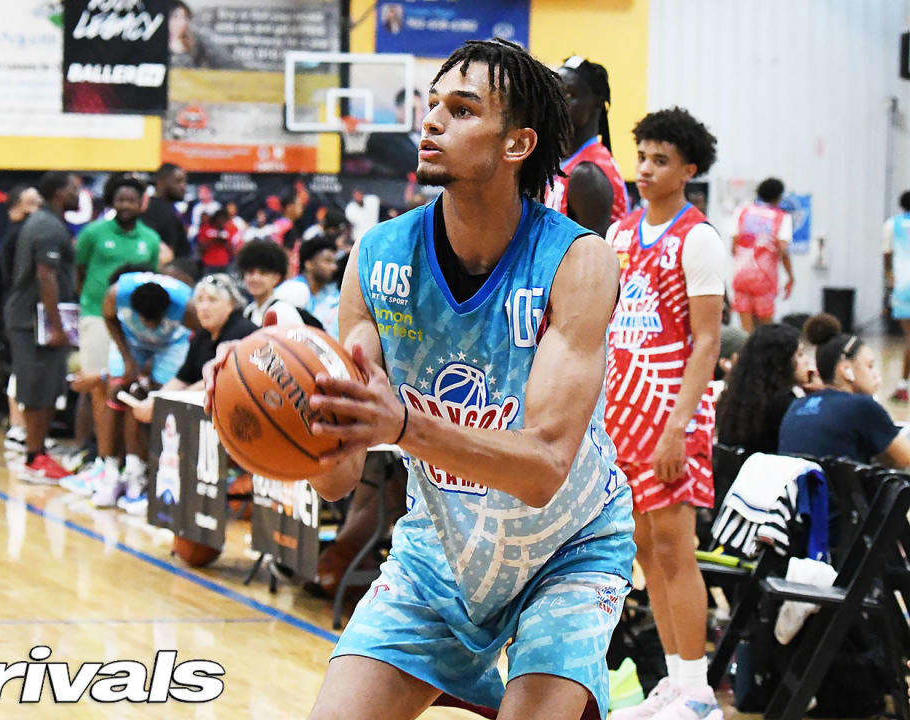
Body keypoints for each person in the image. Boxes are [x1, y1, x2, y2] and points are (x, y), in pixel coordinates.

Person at [206, 38, 635, 720]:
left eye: (461, 109)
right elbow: (338, 480)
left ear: (518, 144)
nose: (431, 122)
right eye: (431, 105)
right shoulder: (377, 261)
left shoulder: (578, 262)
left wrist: (400, 425)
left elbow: (543, 468)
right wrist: (289, 422)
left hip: (567, 548)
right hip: (440, 551)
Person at [606, 107, 725, 719]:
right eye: (642, 157)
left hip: (674, 415)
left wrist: (678, 426)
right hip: (623, 414)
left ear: (688, 170)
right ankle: (677, 684)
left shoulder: (698, 237)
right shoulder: (620, 233)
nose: (645, 169)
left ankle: (701, 694)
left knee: (678, 550)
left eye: (659, 160)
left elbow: (707, 341)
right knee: (646, 552)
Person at [75, 174, 161, 496]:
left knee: (129, 386)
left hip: (135, 325)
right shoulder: (93, 233)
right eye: (120, 199)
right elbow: (79, 271)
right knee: (97, 384)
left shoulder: (150, 238)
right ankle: (100, 459)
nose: (126, 205)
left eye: (132, 199)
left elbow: (152, 280)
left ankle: (128, 461)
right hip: (97, 315)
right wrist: (92, 304)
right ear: (111, 201)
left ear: (141, 203)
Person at [87, 267, 197, 510]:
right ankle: (111, 471)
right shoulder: (116, 295)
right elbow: (109, 319)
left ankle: (141, 472)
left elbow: (201, 338)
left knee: (160, 398)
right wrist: (128, 359)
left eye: (153, 321)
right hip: (131, 341)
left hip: (171, 345)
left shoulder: (187, 307)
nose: (148, 325)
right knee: (117, 391)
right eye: (144, 320)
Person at [4, 172, 79, 482]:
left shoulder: (47, 223)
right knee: (37, 388)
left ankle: (39, 455)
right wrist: (57, 327)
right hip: (34, 321)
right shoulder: (47, 226)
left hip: (35, 318)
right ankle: (34, 458)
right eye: (74, 188)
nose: (79, 194)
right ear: (60, 193)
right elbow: (45, 276)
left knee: (47, 387)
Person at [778, 314, 910, 466]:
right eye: (870, 366)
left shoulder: (796, 405)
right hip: (843, 490)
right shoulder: (862, 406)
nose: (876, 374)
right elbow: (905, 459)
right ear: (846, 370)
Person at [132, 274, 256, 424]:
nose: (204, 307)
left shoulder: (242, 331)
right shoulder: (202, 335)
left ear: (230, 304)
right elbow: (182, 378)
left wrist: (169, 403)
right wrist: (155, 400)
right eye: (200, 301)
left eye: (212, 300)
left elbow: (217, 379)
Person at [546, 56, 629, 235]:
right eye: (556, 94)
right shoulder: (564, 162)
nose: (558, 103)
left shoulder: (588, 174)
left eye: (569, 95)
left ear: (596, 102)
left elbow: (593, 259)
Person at [716, 323, 819, 454]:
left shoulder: (734, 396)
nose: (807, 360)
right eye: (800, 354)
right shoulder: (785, 405)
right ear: (781, 361)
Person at [0, 184, 43, 452]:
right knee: (22, 367)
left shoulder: (23, 232)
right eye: (32, 201)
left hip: (23, 308)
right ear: (16, 204)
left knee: (26, 367)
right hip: (20, 309)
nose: (38, 205)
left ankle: (24, 428)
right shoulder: (18, 235)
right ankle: (18, 427)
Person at [728, 177, 794, 331]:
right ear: (778, 197)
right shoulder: (782, 217)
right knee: (765, 330)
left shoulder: (742, 211)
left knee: (746, 331)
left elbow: (733, 247)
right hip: (764, 279)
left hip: (741, 276)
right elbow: (783, 251)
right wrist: (791, 277)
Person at [274, 237, 340, 337]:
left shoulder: (332, 294)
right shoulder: (290, 290)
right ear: (309, 264)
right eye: (327, 261)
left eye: (334, 262)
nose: (334, 267)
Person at [235, 240, 304, 328]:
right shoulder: (248, 312)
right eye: (250, 272)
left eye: (263, 273)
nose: (255, 278)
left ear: (276, 278)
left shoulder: (283, 310)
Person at [883, 189, 910, 401]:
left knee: (909, 338)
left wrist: (889, 277)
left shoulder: (893, 224)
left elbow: (887, 256)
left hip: (903, 286)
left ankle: (903, 384)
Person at [141, 163, 191, 261]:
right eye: (178, 181)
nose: (183, 186)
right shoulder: (152, 209)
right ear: (161, 182)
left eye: (185, 182)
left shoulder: (171, 210)